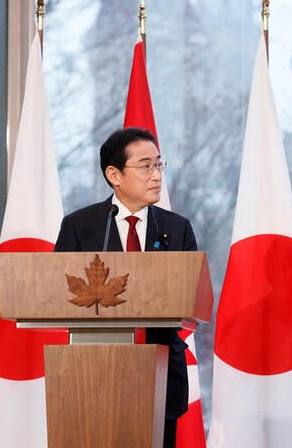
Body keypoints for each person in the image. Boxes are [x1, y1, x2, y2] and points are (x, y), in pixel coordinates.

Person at [54, 128, 197, 448]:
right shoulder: (80, 226)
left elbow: (192, 297)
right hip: (93, 374)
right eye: (145, 166)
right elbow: (56, 295)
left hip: (160, 371)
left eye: (159, 165)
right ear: (114, 174)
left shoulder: (176, 228)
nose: (156, 175)